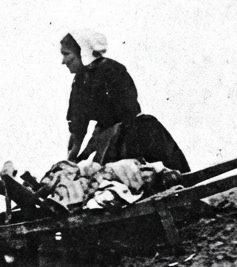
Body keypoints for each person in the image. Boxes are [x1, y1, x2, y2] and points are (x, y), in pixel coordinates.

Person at [60, 29, 190, 171]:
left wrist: (98, 142)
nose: (63, 61)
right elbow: (77, 129)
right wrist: (70, 163)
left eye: (67, 54)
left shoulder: (113, 70)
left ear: (83, 52)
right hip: (110, 140)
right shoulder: (79, 81)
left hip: (136, 135)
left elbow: (127, 113)